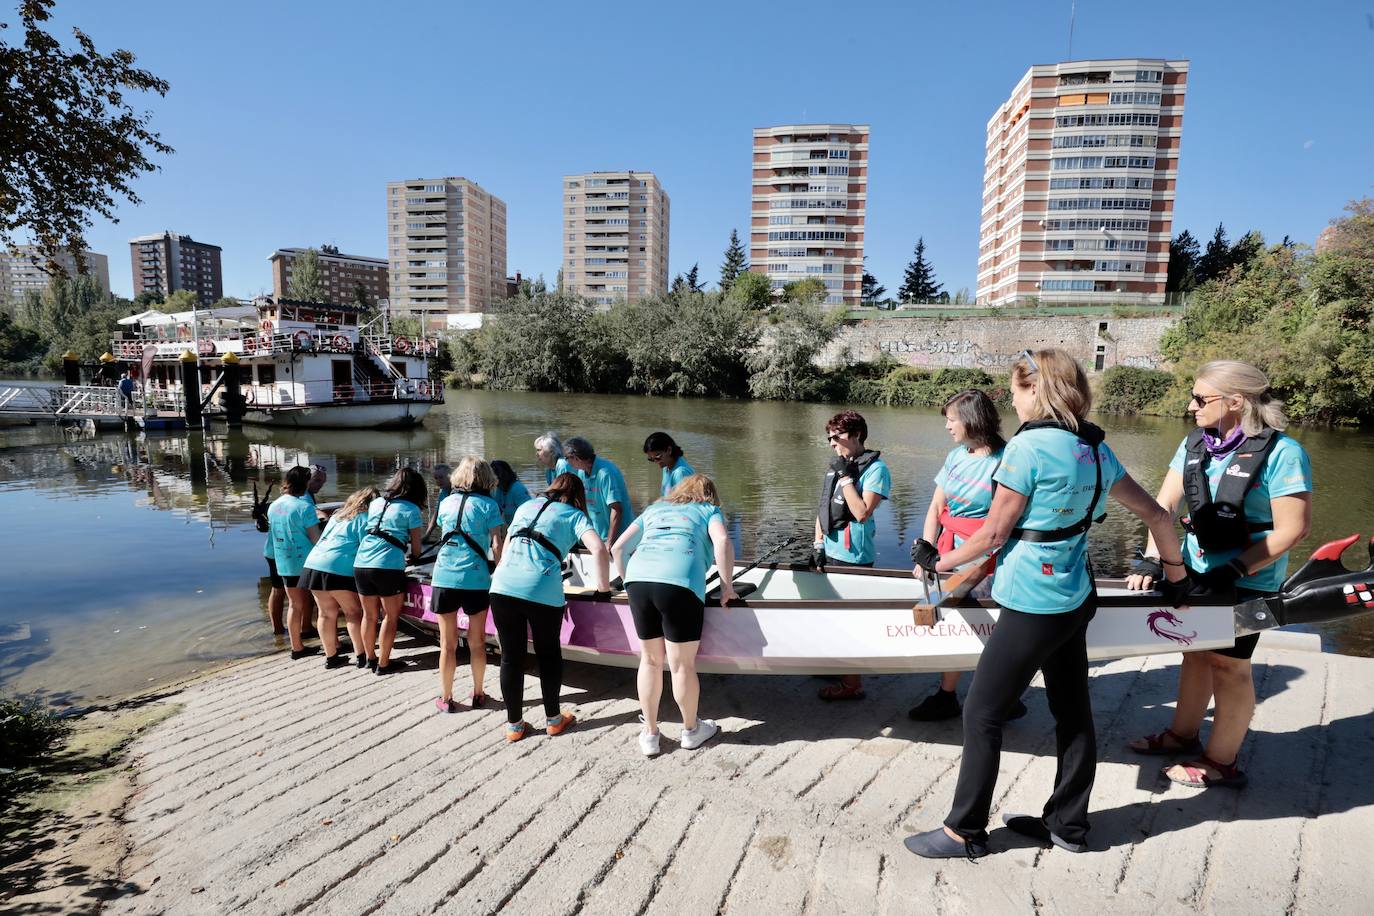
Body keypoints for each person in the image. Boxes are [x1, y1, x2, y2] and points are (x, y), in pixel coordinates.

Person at [905, 348, 1192, 859]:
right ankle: (1068, 825)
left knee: (982, 711)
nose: (1012, 402)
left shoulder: (1027, 448)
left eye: (1015, 391)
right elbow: (1158, 515)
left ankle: (964, 830)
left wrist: (937, 561)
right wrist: (1175, 577)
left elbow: (994, 533)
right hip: (1075, 596)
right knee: (1072, 710)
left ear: (1034, 390)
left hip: (1034, 602)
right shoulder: (1095, 447)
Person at [1125, 360, 1311, 790]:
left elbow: (1293, 529)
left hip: (1249, 580)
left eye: (1200, 398)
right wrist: (1154, 560)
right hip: (1195, 572)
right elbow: (1164, 508)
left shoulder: (1284, 454)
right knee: (1193, 653)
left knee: (1230, 667)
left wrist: (1234, 568)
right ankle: (1181, 735)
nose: (1191, 406)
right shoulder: (1194, 445)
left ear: (1235, 401)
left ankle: (1221, 761)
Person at [907, 390, 1026, 722]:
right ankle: (951, 696)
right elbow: (935, 507)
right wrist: (925, 555)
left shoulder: (1005, 461)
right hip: (946, 553)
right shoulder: (956, 456)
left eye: (951, 419)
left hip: (987, 557)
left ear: (972, 420)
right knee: (956, 627)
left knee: (983, 629)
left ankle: (1002, 696)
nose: (947, 427)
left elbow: (1001, 524)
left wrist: (949, 560)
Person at [612, 474, 736, 757]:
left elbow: (618, 548)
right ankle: (691, 731)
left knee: (650, 660)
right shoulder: (708, 510)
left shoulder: (654, 509)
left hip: (638, 582)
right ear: (710, 495)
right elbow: (723, 542)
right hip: (678, 583)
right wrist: (727, 587)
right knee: (681, 666)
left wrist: (627, 580)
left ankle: (651, 734)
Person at [489, 473, 611, 742]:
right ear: (577, 496)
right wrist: (603, 590)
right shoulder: (573, 515)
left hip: (502, 586)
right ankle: (554, 720)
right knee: (548, 654)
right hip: (541, 587)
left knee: (511, 657)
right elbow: (599, 550)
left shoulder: (525, 506)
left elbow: (506, 550)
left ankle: (514, 726)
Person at [812, 410, 891, 701]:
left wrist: (846, 479)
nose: (832, 443)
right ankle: (839, 667)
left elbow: (861, 512)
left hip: (854, 555)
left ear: (856, 435)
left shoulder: (876, 469)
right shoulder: (838, 464)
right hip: (830, 550)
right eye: (829, 438)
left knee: (850, 621)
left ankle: (852, 684)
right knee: (832, 617)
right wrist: (817, 544)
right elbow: (823, 507)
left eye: (837, 437)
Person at [431, 457, 505, 713]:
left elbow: (443, 529)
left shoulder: (446, 502)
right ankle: (478, 692)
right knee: (476, 642)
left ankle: (446, 697)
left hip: (444, 576)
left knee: (447, 644)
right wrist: (500, 570)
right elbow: (496, 544)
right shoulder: (490, 505)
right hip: (475, 578)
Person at [354, 468, 426, 674]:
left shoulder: (376, 503)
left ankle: (370, 658)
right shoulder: (411, 509)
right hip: (387, 567)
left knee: (368, 616)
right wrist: (413, 556)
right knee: (390, 617)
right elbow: (417, 548)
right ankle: (384, 664)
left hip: (361, 562)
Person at [301, 486, 377, 669]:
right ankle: (362, 656)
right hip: (337, 567)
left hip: (313, 564)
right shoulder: (365, 519)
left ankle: (331, 657)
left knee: (325, 614)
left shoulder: (337, 516)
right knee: (353, 612)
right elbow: (364, 547)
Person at [267, 466, 323, 659]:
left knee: (294, 605)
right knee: (322, 603)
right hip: (307, 562)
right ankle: (333, 644)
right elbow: (316, 538)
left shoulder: (274, 506)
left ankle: (296, 647)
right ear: (305, 483)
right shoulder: (304, 507)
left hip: (284, 561)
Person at [564, 436, 637, 543]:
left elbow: (617, 510)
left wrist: (610, 542)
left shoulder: (605, 473)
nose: (565, 461)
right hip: (599, 537)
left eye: (567, 458)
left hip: (620, 538)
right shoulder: (581, 472)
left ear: (576, 458)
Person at [643, 432, 695, 498]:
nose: (656, 461)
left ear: (669, 450)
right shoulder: (666, 466)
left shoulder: (680, 473)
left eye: (657, 456)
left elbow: (684, 504)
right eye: (651, 459)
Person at [490, 460, 532, 526]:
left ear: (501, 475)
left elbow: (529, 513)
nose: (490, 479)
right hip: (507, 526)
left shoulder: (517, 489)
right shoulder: (495, 489)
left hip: (522, 527)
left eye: (492, 476)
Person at [423, 463, 452, 541]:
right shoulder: (443, 492)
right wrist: (427, 534)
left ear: (450, 476)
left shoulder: (459, 491)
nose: (438, 481)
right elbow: (437, 514)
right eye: (436, 478)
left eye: (441, 477)